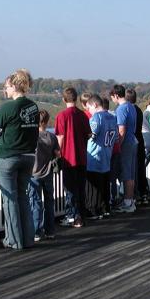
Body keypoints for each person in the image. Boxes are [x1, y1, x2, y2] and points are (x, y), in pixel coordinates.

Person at [0, 69, 40, 250]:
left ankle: (14, 240)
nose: (5, 90)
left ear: (13, 86)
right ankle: (28, 239)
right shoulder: (33, 106)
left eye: (6, 87)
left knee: (9, 199)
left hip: (9, 157)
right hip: (29, 156)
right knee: (23, 197)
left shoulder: (8, 107)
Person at [55, 87, 91, 227]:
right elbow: (88, 135)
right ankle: (81, 215)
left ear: (64, 100)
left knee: (70, 189)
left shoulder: (61, 116)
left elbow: (60, 138)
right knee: (81, 188)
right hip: (82, 156)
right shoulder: (82, 115)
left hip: (68, 158)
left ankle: (72, 216)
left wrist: (57, 153)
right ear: (76, 99)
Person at [28, 110, 60, 241]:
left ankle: (36, 231)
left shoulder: (32, 137)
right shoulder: (51, 137)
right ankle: (50, 231)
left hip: (33, 173)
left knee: (35, 202)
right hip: (47, 173)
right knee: (49, 202)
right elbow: (58, 153)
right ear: (47, 121)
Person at [85, 95, 118, 218]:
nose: (88, 111)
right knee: (104, 185)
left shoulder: (96, 118)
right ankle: (105, 208)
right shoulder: (112, 117)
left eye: (89, 107)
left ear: (94, 105)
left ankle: (93, 210)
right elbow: (116, 138)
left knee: (93, 187)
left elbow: (91, 135)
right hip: (107, 155)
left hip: (94, 156)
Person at [110, 85, 138, 213]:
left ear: (116, 95)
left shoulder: (121, 109)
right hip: (133, 141)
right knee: (131, 174)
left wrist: (117, 146)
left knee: (126, 174)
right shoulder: (131, 107)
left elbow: (121, 130)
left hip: (126, 143)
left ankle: (127, 202)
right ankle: (130, 200)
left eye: (113, 97)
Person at [126, 89, 149, 205]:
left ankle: (135, 194)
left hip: (132, 141)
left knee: (134, 169)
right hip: (140, 140)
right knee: (141, 168)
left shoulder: (129, 110)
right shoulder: (139, 110)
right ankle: (143, 192)